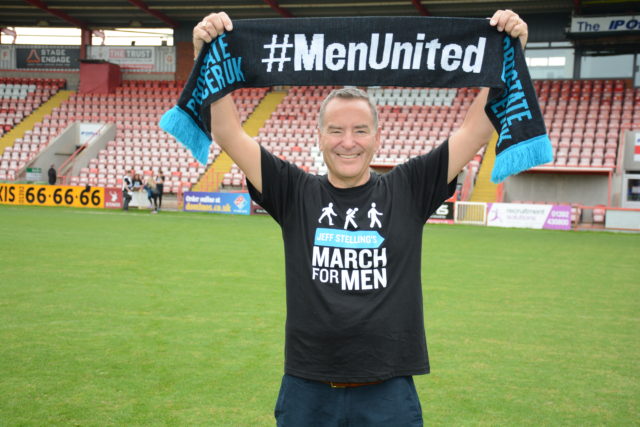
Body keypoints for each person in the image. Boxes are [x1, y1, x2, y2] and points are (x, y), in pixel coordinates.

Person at [194, 9, 528, 426]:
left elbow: (476, 131)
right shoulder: (294, 190)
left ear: (377, 137)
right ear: (319, 136)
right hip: (307, 389)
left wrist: (508, 50)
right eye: (335, 130)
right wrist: (205, 53)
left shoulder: (407, 187)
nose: (347, 142)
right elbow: (227, 133)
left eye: (359, 130)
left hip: (388, 390)